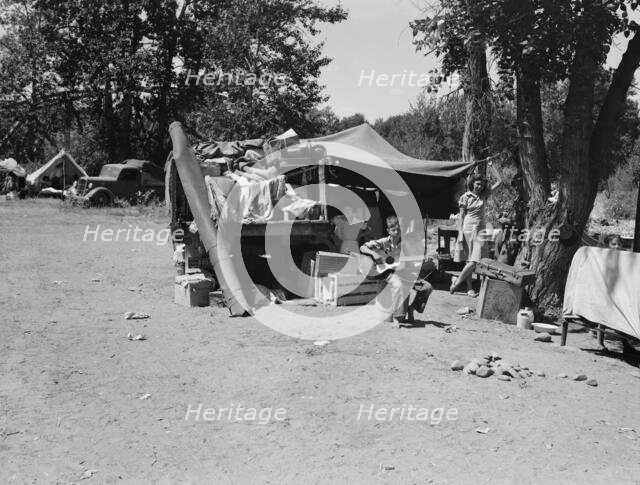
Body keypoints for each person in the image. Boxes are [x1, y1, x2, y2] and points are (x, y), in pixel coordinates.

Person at [360, 215, 432, 328]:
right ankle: (397, 318)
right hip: (386, 272)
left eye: (398, 229)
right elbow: (363, 247)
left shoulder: (405, 244)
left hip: (403, 271)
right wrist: (374, 254)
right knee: (399, 285)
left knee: (427, 287)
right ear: (388, 231)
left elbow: (411, 261)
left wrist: (421, 261)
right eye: (393, 230)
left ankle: (411, 308)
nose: (397, 232)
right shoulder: (383, 242)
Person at [450, 162, 502, 297]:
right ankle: (469, 288)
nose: (479, 187)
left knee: (475, 260)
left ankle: (457, 281)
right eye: (477, 184)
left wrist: (492, 166)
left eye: (482, 185)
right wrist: (460, 233)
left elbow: (500, 181)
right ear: (472, 183)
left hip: (480, 230)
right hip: (468, 230)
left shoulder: (484, 195)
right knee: (470, 260)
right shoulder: (465, 197)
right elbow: (461, 217)